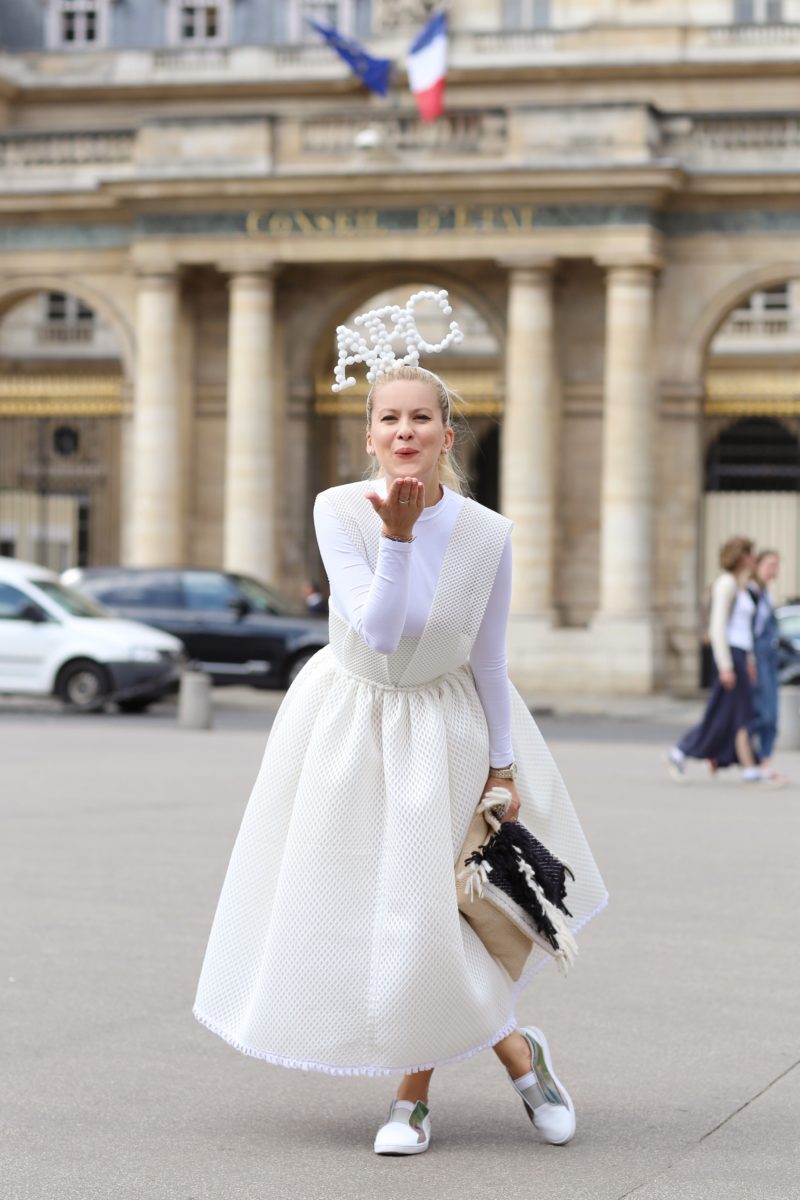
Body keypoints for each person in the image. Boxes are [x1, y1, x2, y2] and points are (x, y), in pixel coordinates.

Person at [193, 291, 607, 1156]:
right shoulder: (339, 509)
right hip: (349, 723)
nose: (406, 430)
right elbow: (379, 632)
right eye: (390, 417)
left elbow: (487, 660)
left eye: (423, 417)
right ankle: (522, 1058)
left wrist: (505, 768)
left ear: (448, 434)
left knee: (429, 915)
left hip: (445, 727)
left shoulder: (488, 533)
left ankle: (412, 1101)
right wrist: (400, 539)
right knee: (376, 913)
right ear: (371, 433)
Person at [668, 535, 767, 783]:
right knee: (732, 711)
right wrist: (726, 666)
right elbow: (718, 628)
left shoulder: (740, 585)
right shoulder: (726, 584)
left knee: (730, 712)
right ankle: (686, 751)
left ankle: (730, 761)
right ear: (742, 557)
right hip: (730, 654)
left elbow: (746, 629)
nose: (754, 558)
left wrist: (750, 660)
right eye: (751, 553)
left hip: (740, 654)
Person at [748, 549, 781, 770]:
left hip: (769, 657)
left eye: (776, 565)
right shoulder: (751, 592)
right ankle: (757, 759)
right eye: (769, 564)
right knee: (763, 713)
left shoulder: (766, 593)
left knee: (772, 712)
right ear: (757, 566)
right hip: (758, 657)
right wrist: (749, 658)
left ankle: (764, 760)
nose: (774, 569)